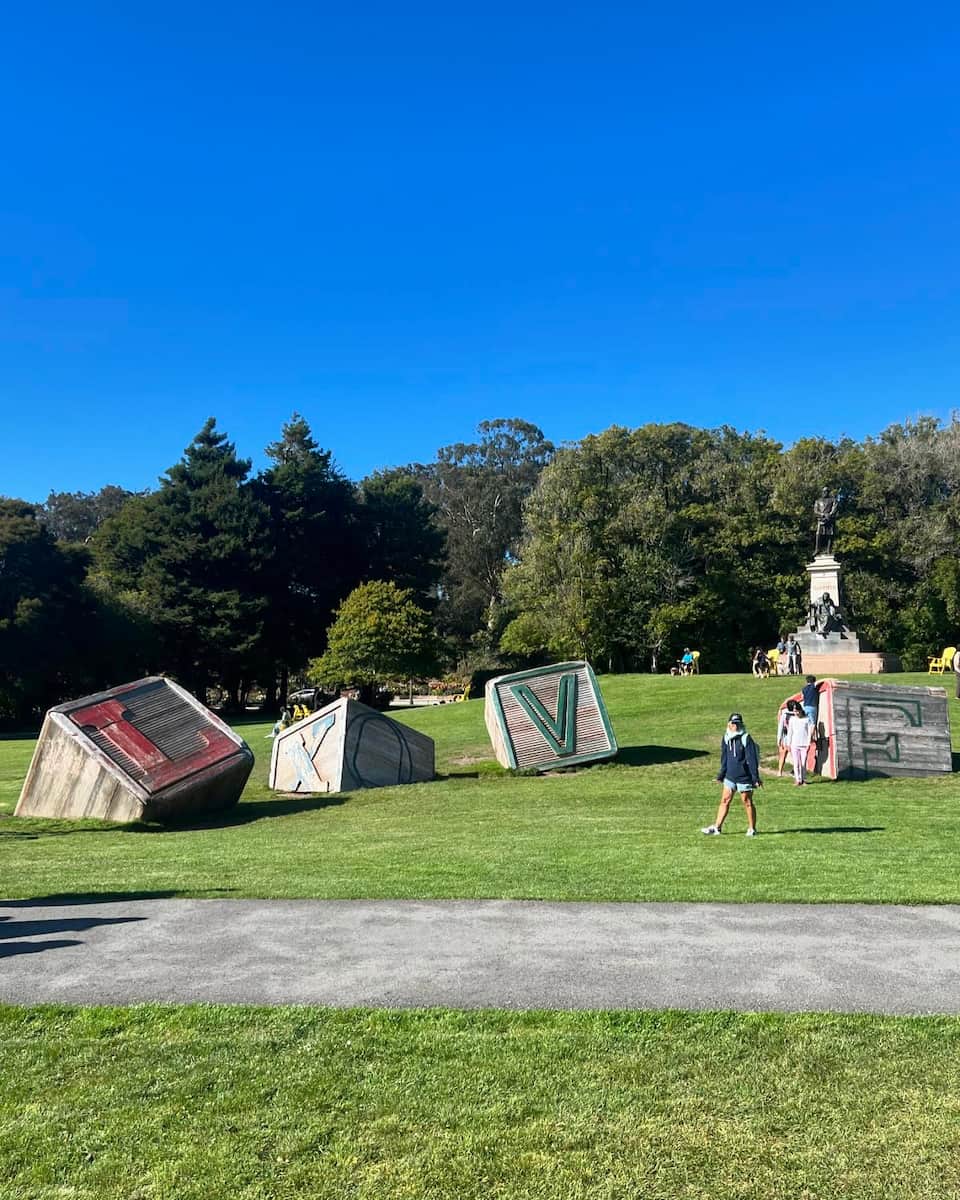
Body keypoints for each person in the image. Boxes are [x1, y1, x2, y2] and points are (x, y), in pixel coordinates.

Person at [702, 712, 761, 837]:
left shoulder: (746, 738)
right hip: (730, 776)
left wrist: (755, 777)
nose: (735, 726)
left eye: (738, 724)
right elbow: (724, 758)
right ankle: (717, 827)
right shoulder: (726, 738)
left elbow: (752, 759)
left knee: (747, 801)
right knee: (725, 800)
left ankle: (752, 828)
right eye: (733, 723)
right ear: (729, 724)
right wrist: (721, 775)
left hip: (744, 777)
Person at [786, 700, 814, 786]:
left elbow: (809, 732)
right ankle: (797, 780)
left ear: (800, 710)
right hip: (794, 744)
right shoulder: (792, 720)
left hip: (804, 744)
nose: (796, 713)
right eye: (794, 711)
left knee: (803, 763)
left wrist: (809, 743)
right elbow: (790, 732)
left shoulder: (806, 720)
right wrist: (788, 744)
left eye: (797, 711)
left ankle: (803, 779)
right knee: (796, 763)